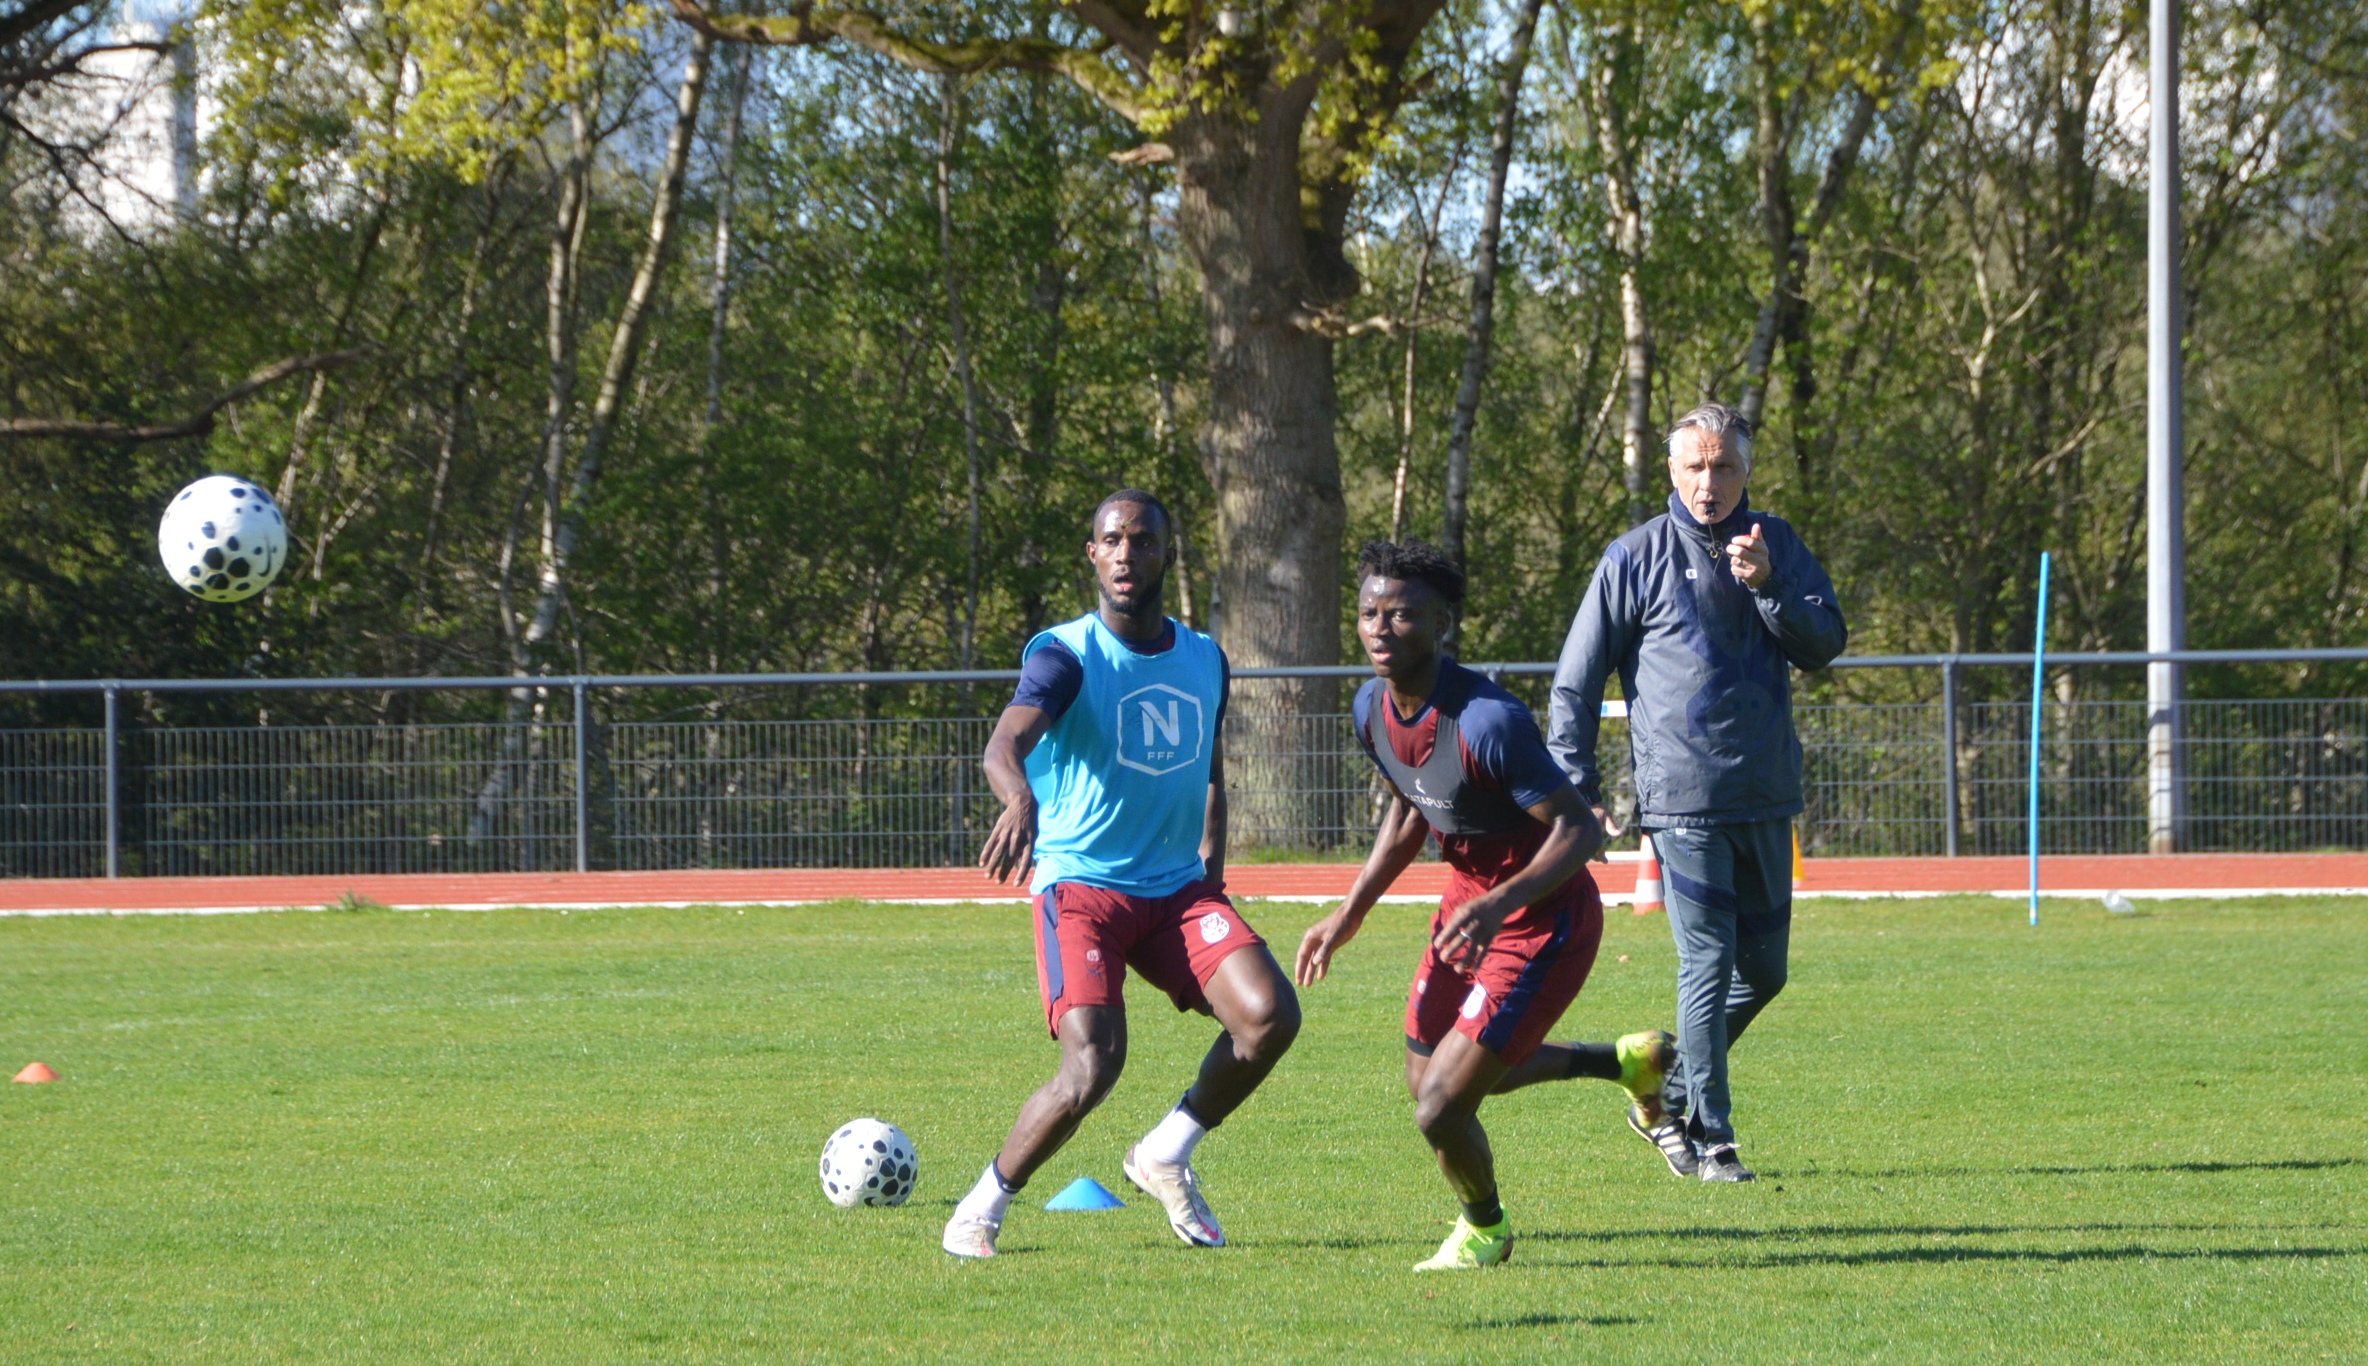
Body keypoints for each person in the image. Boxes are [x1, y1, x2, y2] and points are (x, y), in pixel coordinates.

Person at [1295, 540, 1676, 1272]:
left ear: (1442, 624)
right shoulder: (1369, 706)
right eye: (1370, 612)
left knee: (1439, 1105)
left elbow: (1580, 831)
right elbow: (1411, 810)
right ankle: (1623, 1062)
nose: (1381, 628)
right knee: (1436, 1078)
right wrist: (1351, 913)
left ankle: (1485, 1230)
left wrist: (1500, 904)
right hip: (1469, 911)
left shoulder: (1488, 722)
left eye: (1403, 615)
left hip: (1542, 921)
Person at [943, 490, 1301, 1259]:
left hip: (1176, 891)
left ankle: (1166, 1151)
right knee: (1094, 1063)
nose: (1126, 554)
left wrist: (1214, 878)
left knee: (1271, 1015)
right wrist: (1019, 800)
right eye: (1112, 540)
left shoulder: (1205, 658)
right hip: (1082, 888)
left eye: (1142, 541)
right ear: (1093, 554)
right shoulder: (1064, 655)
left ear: (1166, 555)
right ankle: (982, 1205)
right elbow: (1003, 746)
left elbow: (1209, 773)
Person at [1546, 402, 1848, 1183]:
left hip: (1766, 792)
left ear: (1747, 472)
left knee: (1766, 973)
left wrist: (1771, 586)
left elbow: (1824, 645)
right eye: (1693, 466)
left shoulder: (1775, 545)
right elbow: (1574, 684)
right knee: (1707, 962)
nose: (1707, 483)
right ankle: (1714, 1140)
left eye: (1723, 467)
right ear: (1671, 469)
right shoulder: (1632, 557)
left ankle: (1664, 1093)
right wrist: (1576, 788)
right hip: (1681, 800)